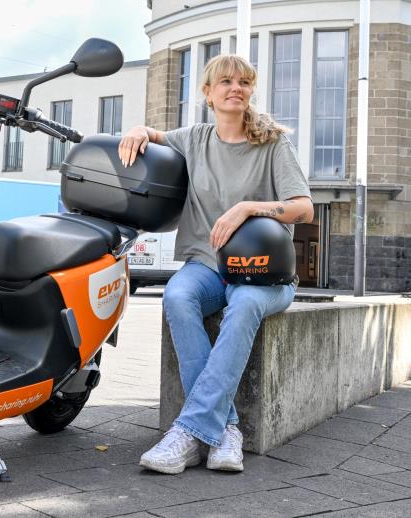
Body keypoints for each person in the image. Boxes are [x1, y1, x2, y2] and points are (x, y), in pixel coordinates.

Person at [118, 54, 313, 474]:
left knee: (243, 306)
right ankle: (224, 431)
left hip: (263, 271)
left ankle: (187, 434)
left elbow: (304, 209)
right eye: (225, 81)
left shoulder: (273, 142)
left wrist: (247, 208)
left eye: (244, 81)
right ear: (207, 93)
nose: (235, 88)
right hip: (206, 265)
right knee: (179, 295)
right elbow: (154, 135)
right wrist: (137, 129)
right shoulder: (194, 138)